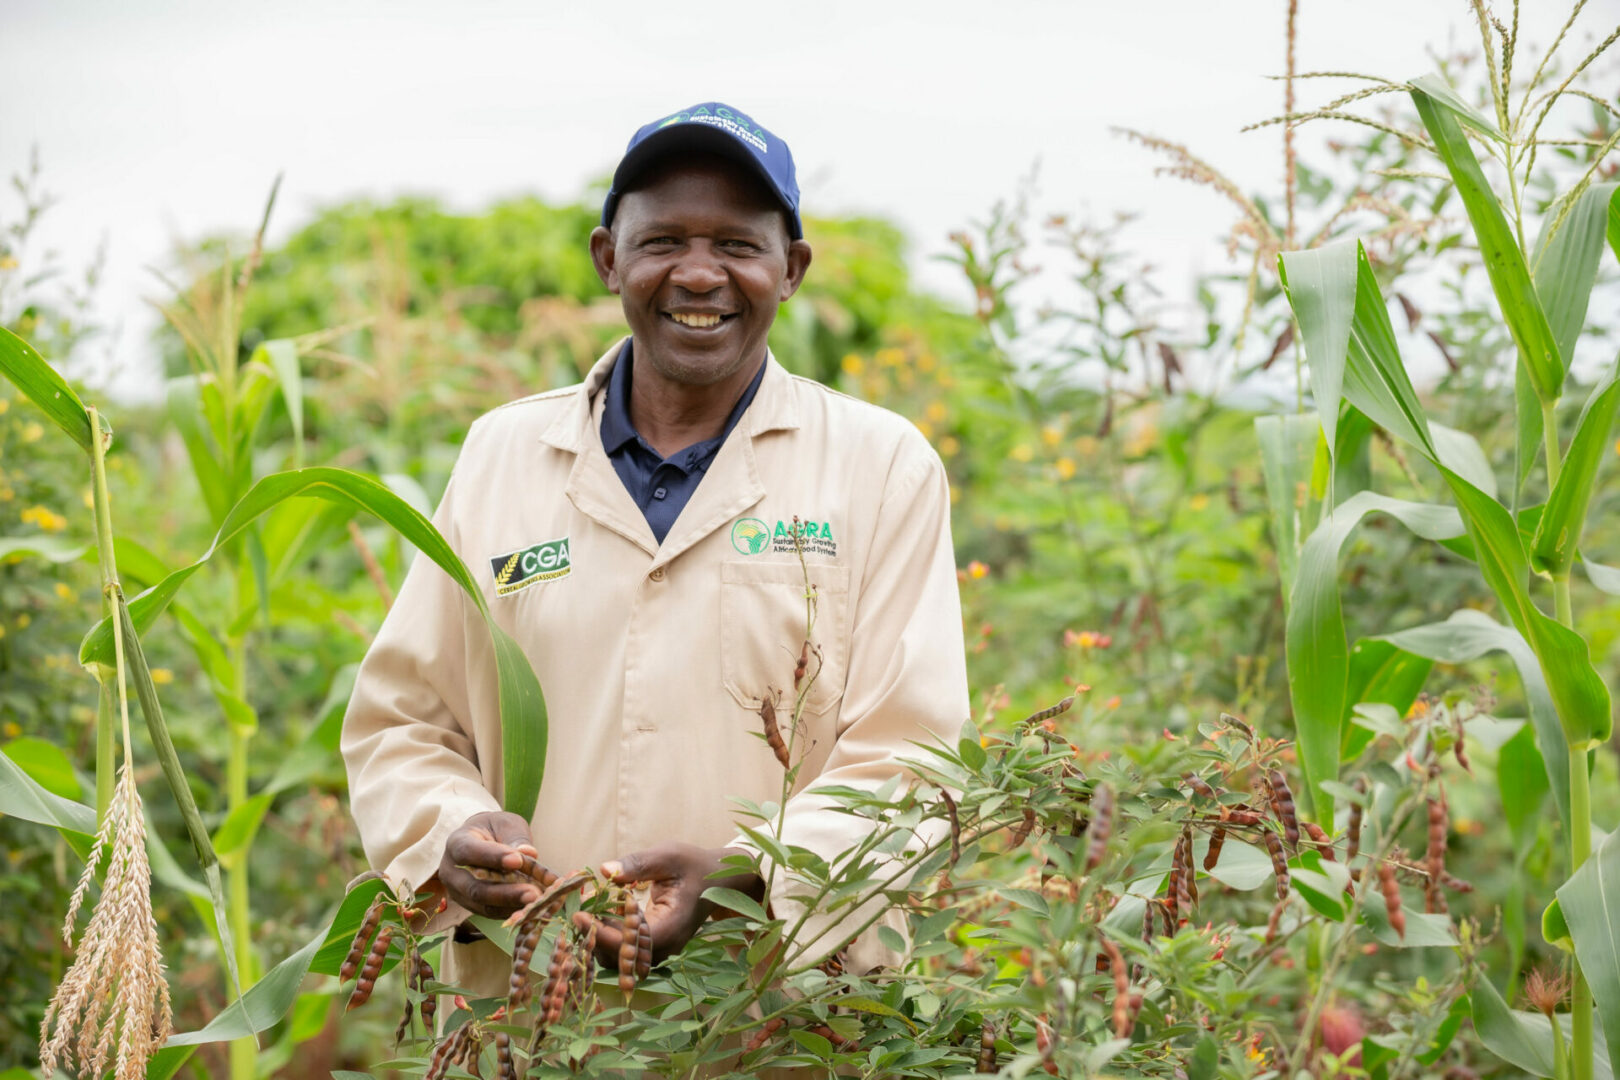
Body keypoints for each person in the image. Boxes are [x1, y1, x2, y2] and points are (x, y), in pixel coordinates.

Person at [341, 102, 970, 999]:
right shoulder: (503, 456)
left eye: (740, 247)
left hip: (777, 1014)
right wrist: (453, 828)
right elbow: (404, 720)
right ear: (610, 260)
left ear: (790, 270)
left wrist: (750, 876)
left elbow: (914, 757)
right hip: (532, 1011)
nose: (701, 274)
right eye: (664, 240)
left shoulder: (881, 467)